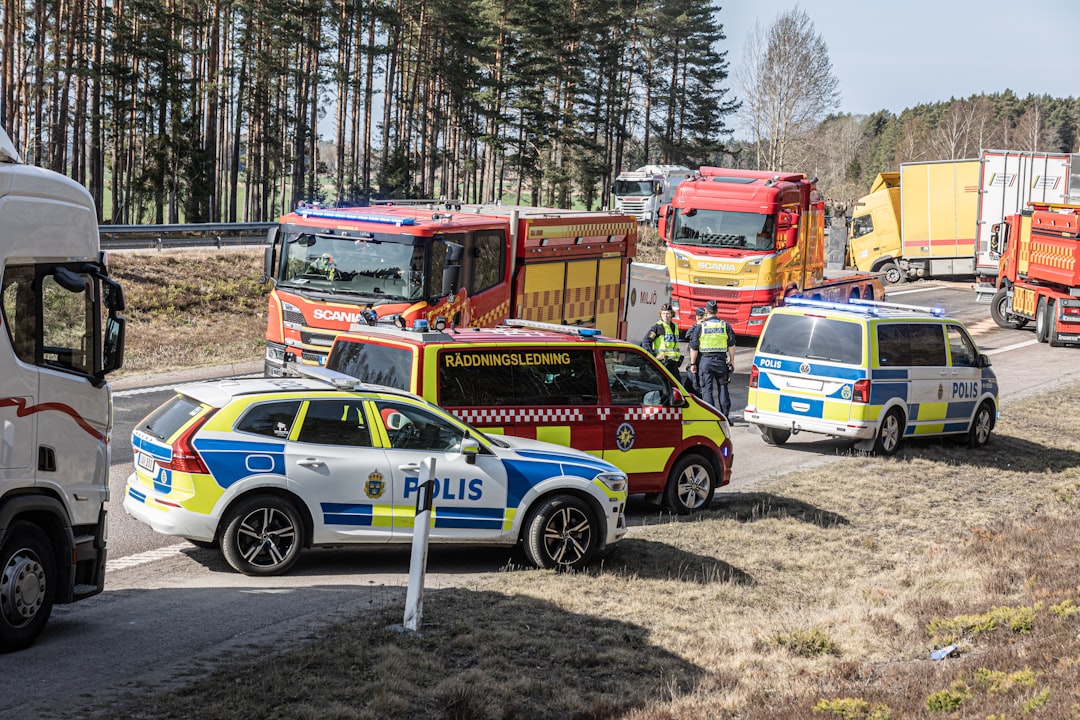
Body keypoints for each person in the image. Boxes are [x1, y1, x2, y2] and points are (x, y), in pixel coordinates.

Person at [689, 300, 735, 419]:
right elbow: (732, 345)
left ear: (707, 312)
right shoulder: (724, 325)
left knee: (706, 389)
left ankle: (711, 416)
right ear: (717, 311)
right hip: (721, 361)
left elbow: (694, 348)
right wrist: (732, 360)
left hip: (705, 361)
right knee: (723, 388)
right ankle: (725, 416)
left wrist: (693, 363)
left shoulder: (701, 327)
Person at [641, 303, 683, 376]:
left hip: (673, 363)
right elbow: (646, 342)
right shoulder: (658, 327)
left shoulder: (675, 327)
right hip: (663, 362)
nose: (665, 316)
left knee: (677, 385)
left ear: (671, 314)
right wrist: (653, 356)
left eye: (667, 314)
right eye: (663, 313)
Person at [682, 306, 706, 396]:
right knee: (689, 384)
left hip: (700, 359)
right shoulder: (696, 326)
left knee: (696, 386)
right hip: (695, 358)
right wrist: (696, 325)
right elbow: (687, 335)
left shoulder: (706, 327)